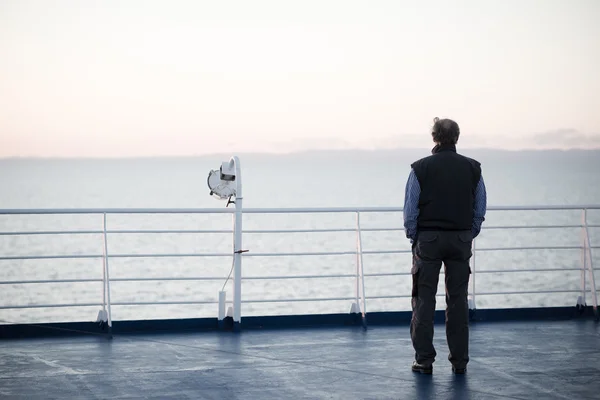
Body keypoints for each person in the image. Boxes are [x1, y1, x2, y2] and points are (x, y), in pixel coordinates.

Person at [403, 117, 487, 375]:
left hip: (428, 240)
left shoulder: (420, 168)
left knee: (424, 300)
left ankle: (424, 360)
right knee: (458, 301)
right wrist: (469, 233)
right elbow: (480, 206)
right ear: (457, 138)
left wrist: (414, 237)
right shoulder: (473, 168)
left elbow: (410, 210)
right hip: (460, 240)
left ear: (434, 137)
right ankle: (459, 362)